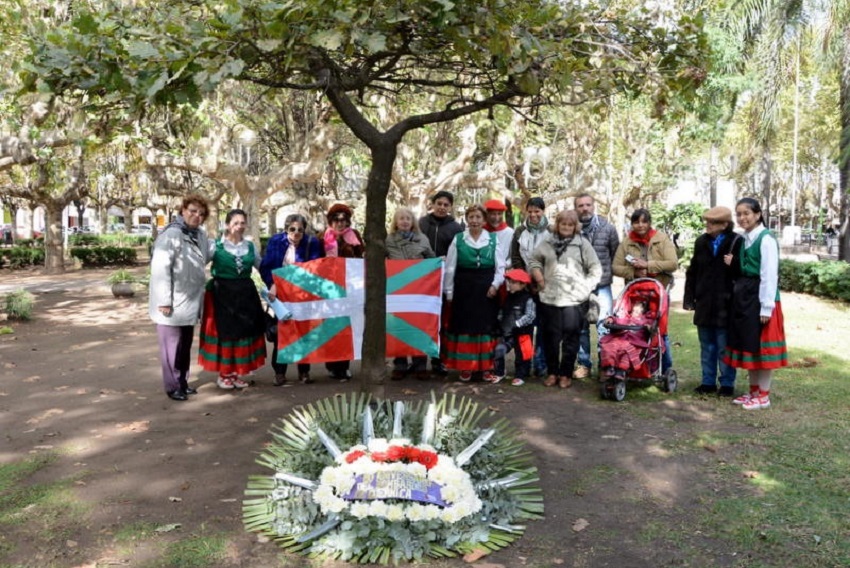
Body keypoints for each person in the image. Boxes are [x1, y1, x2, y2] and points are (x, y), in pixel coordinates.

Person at [722, 197, 788, 410]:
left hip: (762, 299)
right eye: (739, 214)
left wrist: (767, 306)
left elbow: (769, 274)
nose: (742, 218)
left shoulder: (766, 239)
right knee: (749, 345)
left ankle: (764, 396)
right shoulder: (745, 238)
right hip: (746, 298)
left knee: (763, 350)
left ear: (758, 214)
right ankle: (753, 392)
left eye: (746, 213)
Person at [149, 194, 212, 402]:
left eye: (201, 214)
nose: (197, 216)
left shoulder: (199, 235)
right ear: (183, 210)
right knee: (171, 347)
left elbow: (208, 254)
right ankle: (173, 386)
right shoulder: (171, 234)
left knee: (184, 345)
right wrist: (164, 301)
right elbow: (160, 269)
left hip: (190, 301)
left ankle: (183, 382)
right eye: (193, 211)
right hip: (172, 302)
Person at [529, 210, 602, 389]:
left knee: (571, 338)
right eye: (563, 224)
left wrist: (586, 287)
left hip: (574, 300)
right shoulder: (547, 242)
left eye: (570, 224)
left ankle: (565, 374)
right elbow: (534, 260)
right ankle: (553, 373)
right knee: (550, 338)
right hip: (549, 298)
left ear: (575, 226)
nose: (567, 227)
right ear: (558, 225)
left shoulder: (582, 244)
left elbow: (595, 268)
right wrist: (539, 278)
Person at [198, 209, 267, 389]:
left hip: (245, 294)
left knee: (243, 332)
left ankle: (236, 373)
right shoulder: (215, 246)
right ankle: (224, 374)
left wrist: (275, 283)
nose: (239, 226)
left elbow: (261, 267)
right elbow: (198, 265)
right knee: (226, 334)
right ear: (227, 225)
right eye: (235, 223)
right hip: (222, 295)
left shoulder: (250, 246)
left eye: (242, 223)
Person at [443, 204, 507, 382]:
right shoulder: (458, 239)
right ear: (467, 219)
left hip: (487, 290)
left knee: (485, 327)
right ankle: (466, 367)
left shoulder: (493, 239)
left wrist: (495, 285)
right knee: (465, 326)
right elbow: (450, 267)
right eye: (471, 217)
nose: (475, 221)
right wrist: (449, 292)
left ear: (484, 220)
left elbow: (500, 267)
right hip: (464, 289)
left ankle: (486, 367)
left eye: (478, 217)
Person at [683, 206, 743, 397]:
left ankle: (727, 383)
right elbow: (692, 271)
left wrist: (733, 263)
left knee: (724, 348)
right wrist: (689, 298)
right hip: (704, 303)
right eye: (707, 221)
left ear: (725, 224)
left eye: (713, 222)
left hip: (726, 304)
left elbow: (744, 272)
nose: (708, 225)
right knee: (706, 346)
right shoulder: (701, 242)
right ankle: (707, 381)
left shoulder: (737, 241)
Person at [260, 213, 324, 386]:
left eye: (300, 230)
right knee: (282, 333)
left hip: (303, 295)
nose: (296, 233)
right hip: (280, 296)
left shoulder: (312, 243)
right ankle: (279, 372)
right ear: (286, 229)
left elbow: (316, 268)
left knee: (304, 332)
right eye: (292, 229)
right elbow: (266, 266)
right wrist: (273, 284)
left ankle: (304, 371)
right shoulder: (276, 242)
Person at [612, 208, 678, 373]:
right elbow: (615, 267)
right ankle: (637, 365)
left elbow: (672, 263)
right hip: (636, 294)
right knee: (633, 328)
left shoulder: (661, 239)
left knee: (659, 329)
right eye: (636, 222)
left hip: (659, 292)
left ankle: (665, 367)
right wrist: (633, 272)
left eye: (644, 221)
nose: (640, 225)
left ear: (649, 223)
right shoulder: (627, 242)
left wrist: (648, 265)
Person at [574, 193, 620, 379]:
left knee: (604, 326)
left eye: (588, 205)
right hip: (578, 287)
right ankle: (584, 364)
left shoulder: (608, 229)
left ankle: (605, 364)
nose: (584, 208)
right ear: (576, 208)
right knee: (580, 327)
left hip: (602, 287)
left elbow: (615, 254)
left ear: (594, 206)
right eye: (580, 205)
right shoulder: (571, 230)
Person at [386, 207, 435, 380]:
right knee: (399, 327)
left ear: (413, 221)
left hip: (419, 291)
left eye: (408, 218)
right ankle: (400, 364)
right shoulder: (389, 240)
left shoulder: (423, 239)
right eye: (401, 218)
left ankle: (420, 364)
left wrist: (438, 263)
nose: (405, 221)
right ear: (396, 222)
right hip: (397, 291)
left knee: (418, 326)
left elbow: (431, 259)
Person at [419, 190, 464, 375]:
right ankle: (419, 362)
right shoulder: (421, 223)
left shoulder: (456, 228)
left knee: (441, 322)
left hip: (445, 281)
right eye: (439, 203)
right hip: (421, 280)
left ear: (450, 207)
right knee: (421, 321)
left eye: (446, 205)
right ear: (432, 204)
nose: (442, 207)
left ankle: (439, 360)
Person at [323, 203, 364, 381]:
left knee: (347, 327)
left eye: (343, 220)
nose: (340, 223)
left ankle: (344, 366)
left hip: (350, 289)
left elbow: (362, 258)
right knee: (333, 328)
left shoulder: (354, 237)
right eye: (336, 219)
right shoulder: (321, 238)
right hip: (330, 290)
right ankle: (332, 365)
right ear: (330, 221)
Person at [510, 196, 549, 377]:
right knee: (524, 328)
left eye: (537, 211)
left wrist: (541, 280)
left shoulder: (551, 231)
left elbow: (554, 258)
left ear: (543, 211)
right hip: (524, 287)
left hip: (545, 287)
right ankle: (524, 365)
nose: (533, 215)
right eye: (530, 211)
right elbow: (516, 257)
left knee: (543, 327)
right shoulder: (519, 231)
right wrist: (525, 280)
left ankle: (541, 365)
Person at [492, 268, 536, 386]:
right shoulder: (508, 297)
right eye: (509, 281)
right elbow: (502, 311)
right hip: (507, 332)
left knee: (521, 355)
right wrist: (499, 322)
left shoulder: (528, 299)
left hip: (522, 333)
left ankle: (520, 375)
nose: (510, 284)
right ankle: (499, 372)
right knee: (499, 350)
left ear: (522, 284)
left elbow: (530, 315)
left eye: (513, 282)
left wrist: (517, 324)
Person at [600, 301, 652, 379]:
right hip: (622, 339)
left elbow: (651, 328)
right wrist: (611, 319)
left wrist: (649, 327)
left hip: (635, 342)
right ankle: (609, 366)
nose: (634, 313)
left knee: (628, 353)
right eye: (633, 311)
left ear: (643, 313)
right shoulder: (628, 319)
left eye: (637, 312)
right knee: (608, 346)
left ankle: (621, 370)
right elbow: (619, 320)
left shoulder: (644, 321)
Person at [484, 198, 515, 262]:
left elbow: (512, 256)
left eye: (499, 214)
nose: (496, 218)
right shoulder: (481, 231)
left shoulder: (509, 232)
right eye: (493, 214)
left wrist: (504, 265)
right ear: (487, 215)